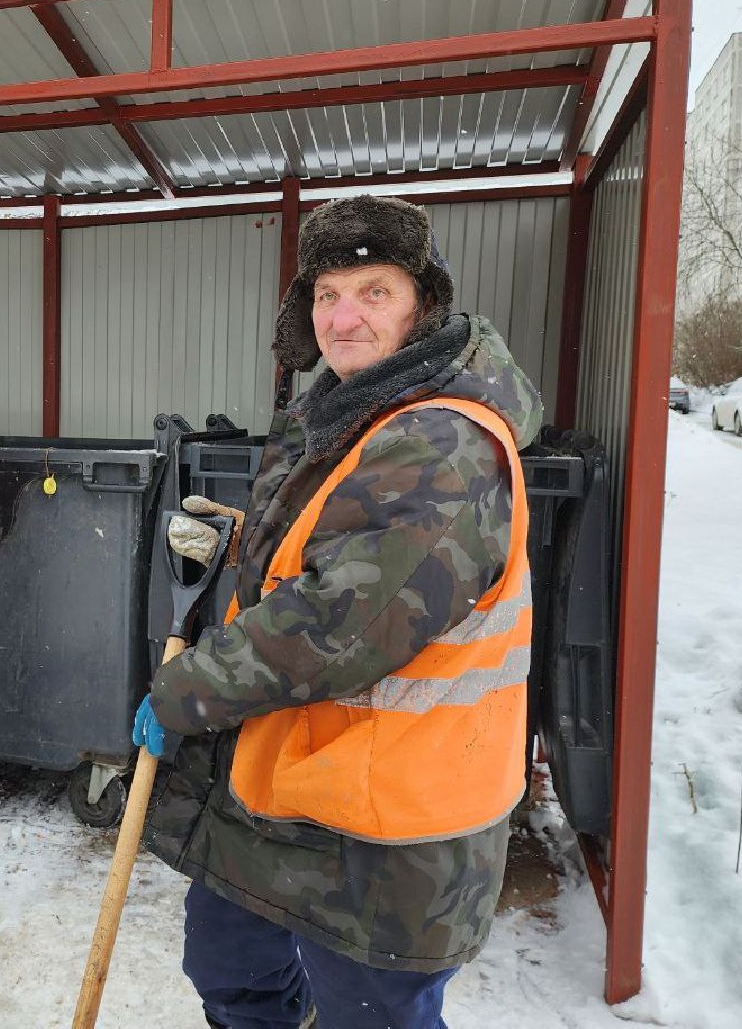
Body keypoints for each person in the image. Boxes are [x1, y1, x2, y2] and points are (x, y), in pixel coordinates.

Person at [135, 195, 544, 1028]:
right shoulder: (347, 409)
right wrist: (251, 541)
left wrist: (182, 694)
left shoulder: (442, 442)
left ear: (422, 302)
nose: (344, 318)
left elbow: (340, 624)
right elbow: (341, 551)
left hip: (391, 824)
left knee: (370, 1016)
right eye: (327, 294)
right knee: (231, 975)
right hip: (286, 782)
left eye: (374, 292)